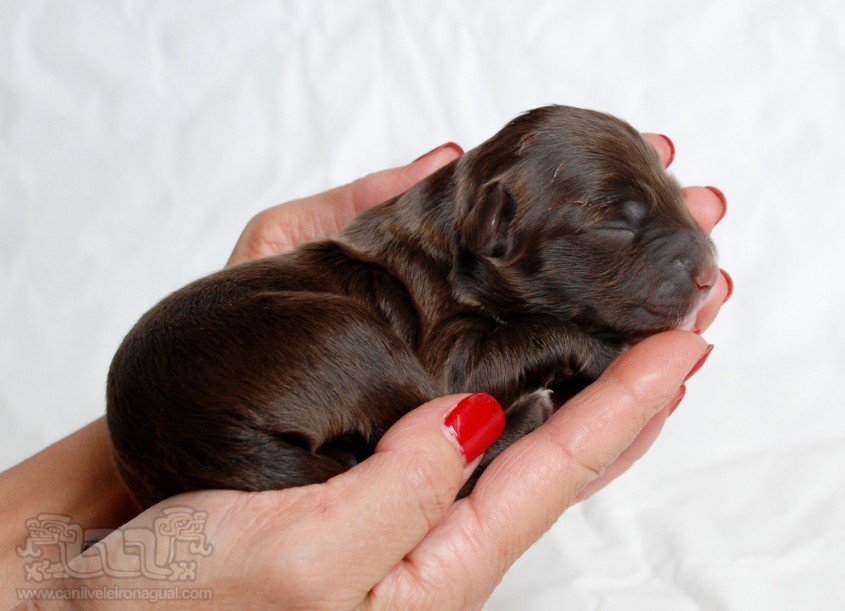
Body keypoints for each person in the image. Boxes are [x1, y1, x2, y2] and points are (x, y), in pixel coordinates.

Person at [3, 137, 730, 609]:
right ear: (494, 226)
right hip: (214, 391)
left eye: (665, 204)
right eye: (619, 221)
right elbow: (453, 379)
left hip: (202, 422)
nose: (697, 260)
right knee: (378, 368)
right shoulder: (410, 290)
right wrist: (571, 345)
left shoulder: (395, 279)